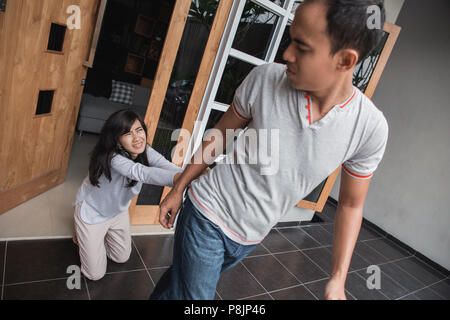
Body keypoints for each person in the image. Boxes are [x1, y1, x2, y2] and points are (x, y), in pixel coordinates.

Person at [150, 0, 388, 300]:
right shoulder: (265, 79)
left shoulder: (369, 128)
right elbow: (220, 135)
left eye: (301, 46)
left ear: (344, 61)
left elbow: (351, 205)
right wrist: (179, 188)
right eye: (290, 39)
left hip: (250, 235)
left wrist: (338, 280)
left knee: (179, 283)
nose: (286, 54)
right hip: (207, 213)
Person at [73, 109, 182, 281]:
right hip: (93, 211)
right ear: (117, 140)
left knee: (121, 257)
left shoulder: (144, 149)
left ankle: (93, 240)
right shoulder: (113, 157)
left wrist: (189, 175)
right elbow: (140, 172)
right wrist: (182, 179)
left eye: (139, 130)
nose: (137, 137)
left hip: (117, 212)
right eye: (127, 133)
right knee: (94, 275)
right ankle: (83, 232)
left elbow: (165, 165)